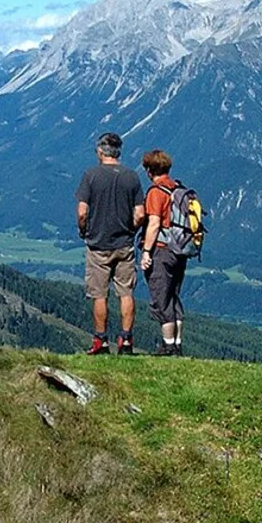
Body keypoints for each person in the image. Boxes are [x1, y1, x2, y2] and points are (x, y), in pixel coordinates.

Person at [74, 132, 144, 355]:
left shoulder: (91, 176)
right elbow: (140, 213)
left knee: (99, 294)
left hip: (98, 244)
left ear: (100, 151)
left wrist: (84, 231)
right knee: (126, 293)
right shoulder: (132, 176)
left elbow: (82, 212)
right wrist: (131, 230)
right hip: (124, 244)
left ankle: (101, 341)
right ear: (118, 152)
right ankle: (126, 340)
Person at [139, 149, 186, 356]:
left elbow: (154, 223)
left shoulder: (156, 192)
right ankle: (177, 344)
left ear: (150, 170)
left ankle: (167, 347)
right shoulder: (177, 189)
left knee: (161, 297)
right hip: (180, 250)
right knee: (174, 296)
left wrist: (146, 252)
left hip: (162, 250)